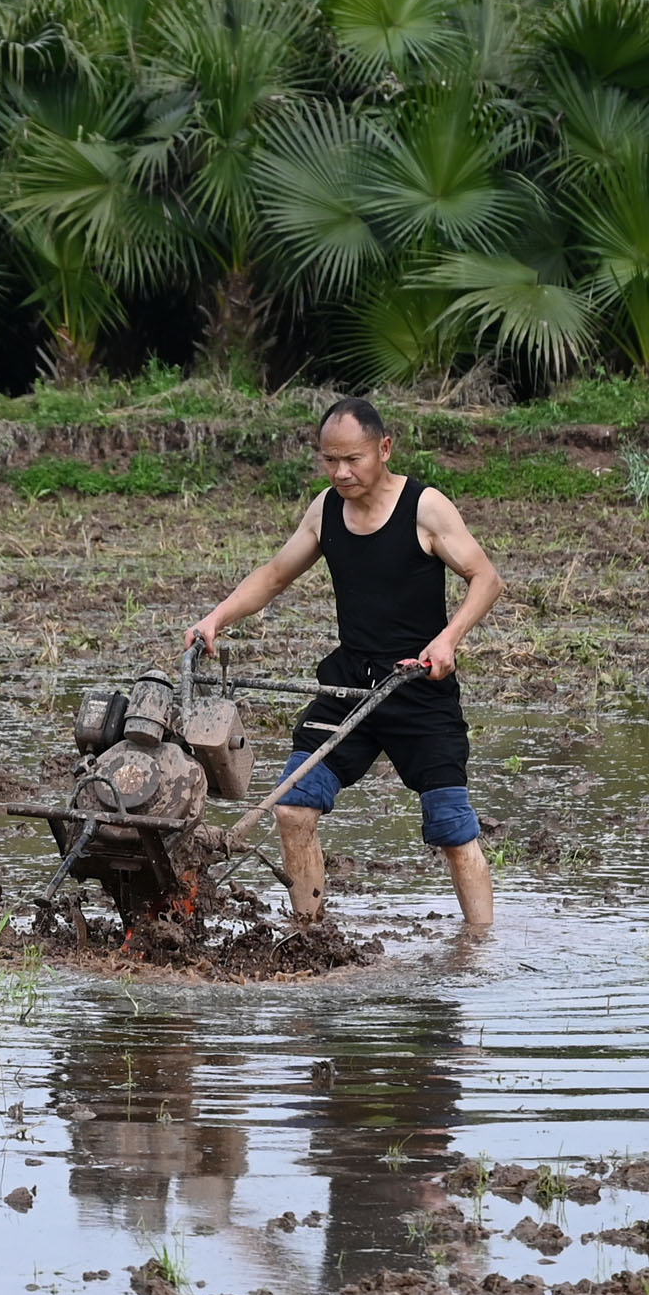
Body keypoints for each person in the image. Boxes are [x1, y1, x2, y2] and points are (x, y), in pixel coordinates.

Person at [186, 396, 505, 937]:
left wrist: (448, 639)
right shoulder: (326, 509)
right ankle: (309, 937)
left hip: (417, 685)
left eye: (352, 459)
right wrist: (215, 618)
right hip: (350, 683)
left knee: (453, 830)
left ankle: (479, 953)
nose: (341, 472)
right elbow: (275, 575)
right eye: (329, 460)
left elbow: (487, 578)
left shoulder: (424, 508)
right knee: (292, 809)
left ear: (384, 449)